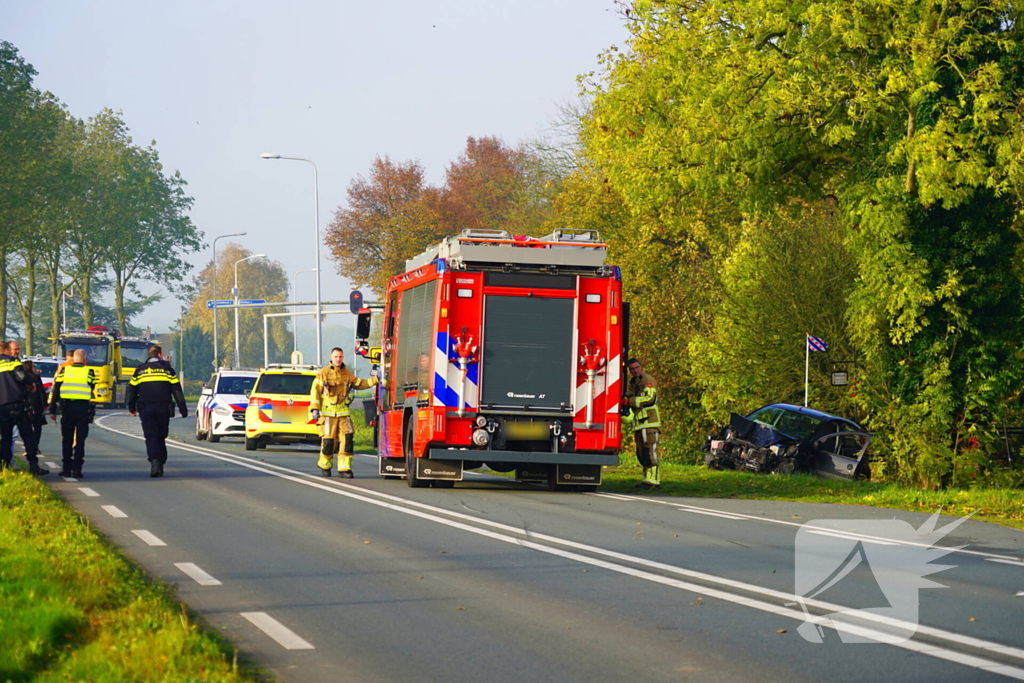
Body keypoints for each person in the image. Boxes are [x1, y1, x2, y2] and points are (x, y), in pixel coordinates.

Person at [309, 347, 378, 478]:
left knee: (347, 441)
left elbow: (361, 384)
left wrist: (376, 379)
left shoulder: (347, 373)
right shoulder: (323, 373)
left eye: (340, 357)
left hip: (344, 414)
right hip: (327, 415)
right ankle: (325, 465)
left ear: (343, 357)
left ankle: (344, 468)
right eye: (336, 356)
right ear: (331, 357)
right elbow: (315, 391)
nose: (338, 359)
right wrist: (314, 408)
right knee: (328, 443)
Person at [126, 345, 187, 478]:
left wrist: (131, 407)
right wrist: (183, 409)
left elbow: (132, 390)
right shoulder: (167, 370)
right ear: (160, 354)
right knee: (161, 435)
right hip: (163, 408)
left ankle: (154, 461)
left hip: (146, 409)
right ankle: (160, 461)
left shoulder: (140, 370)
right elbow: (177, 390)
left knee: (150, 436)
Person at [0, 341, 46, 475]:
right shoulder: (13, 362)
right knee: (28, 436)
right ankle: (33, 465)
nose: (17, 352)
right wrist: (31, 384)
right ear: (7, 350)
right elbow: (22, 377)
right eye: (15, 349)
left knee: (6, 438)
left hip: (2, 407)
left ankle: (5, 466)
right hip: (18, 405)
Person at [48, 349, 96, 478]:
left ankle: (66, 469)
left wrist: (52, 408)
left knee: (67, 439)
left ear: (73, 360)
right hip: (83, 409)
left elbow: (56, 389)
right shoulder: (89, 372)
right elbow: (92, 386)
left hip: (67, 408)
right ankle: (77, 470)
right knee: (80, 440)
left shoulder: (65, 371)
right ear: (85, 360)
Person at [623, 357, 662, 490]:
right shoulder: (634, 382)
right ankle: (647, 479)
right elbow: (628, 395)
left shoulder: (648, 380)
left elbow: (650, 399)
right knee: (641, 453)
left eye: (637, 368)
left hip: (650, 422)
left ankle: (654, 481)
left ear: (641, 367)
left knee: (649, 451)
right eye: (632, 369)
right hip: (639, 424)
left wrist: (630, 401)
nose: (635, 371)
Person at [21, 360, 49, 473]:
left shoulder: (22, 378)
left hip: (26, 405)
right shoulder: (35, 377)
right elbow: (41, 392)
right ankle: (34, 446)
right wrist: (45, 405)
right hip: (36, 405)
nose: (35, 368)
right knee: (37, 427)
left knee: (28, 428)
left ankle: (30, 447)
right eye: (33, 366)